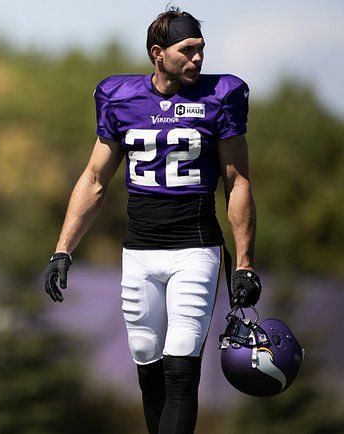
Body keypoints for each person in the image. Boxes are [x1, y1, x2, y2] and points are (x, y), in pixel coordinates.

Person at [43, 7, 261, 434]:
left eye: (201, 49)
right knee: (148, 365)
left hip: (195, 250)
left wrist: (244, 262)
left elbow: (237, 184)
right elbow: (94, 180)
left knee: (182, 368)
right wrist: (62, 249)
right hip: (139, 251)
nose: (198, 59)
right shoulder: (120, 97)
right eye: (187, 50)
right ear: (158, 54)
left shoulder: (223, 96)